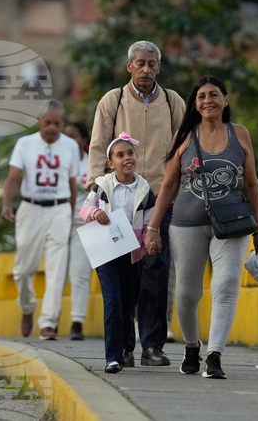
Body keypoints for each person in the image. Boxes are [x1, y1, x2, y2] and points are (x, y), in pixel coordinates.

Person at [144, 76, 258, 380]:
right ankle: (192, 345)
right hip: (187, 224)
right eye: (201, 97)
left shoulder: (240, 134)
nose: (207, 101)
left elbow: (251, 184)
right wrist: (152, 227)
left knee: (225, 284)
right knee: (188, 293)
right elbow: (170, 184)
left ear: (225, 100)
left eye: (214, 95)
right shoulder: (185, 136)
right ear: (195, 104)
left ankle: (214, 355)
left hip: (233, 224)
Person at [86, 41, 186, 366]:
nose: (146, 70)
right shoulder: (113, 101)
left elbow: (184, 147)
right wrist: (94, 185)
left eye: (152, 64)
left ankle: (153, 346)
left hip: (159, 198)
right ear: (129, 66)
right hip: (118, 200)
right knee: (125, 274)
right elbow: (99, 145)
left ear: (159, 67)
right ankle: (125, 347)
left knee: (156, 271)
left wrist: (182, 190)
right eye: (140, 63)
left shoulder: (173, 102)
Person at [1, 100, 82, 341]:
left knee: (57, 269)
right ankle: (27, 308)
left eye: (57, 124)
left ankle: (48, 322)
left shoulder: (70, 147)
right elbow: (14, 177)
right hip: (31, 209)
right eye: (48, 123)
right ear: (39, 122)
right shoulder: (24, 144)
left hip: (59, 210)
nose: (52, 128)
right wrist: (6, 203)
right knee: (23, 270)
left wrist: (69, 215)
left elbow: (72, 185)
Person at [78, 133, 156, 373]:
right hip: (107, 253)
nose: (126, 158)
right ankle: (112, 357)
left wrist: (151, 239)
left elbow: (151, 221)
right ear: (111, 163)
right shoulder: (102, 187)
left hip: (133, 254)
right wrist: (94, 214)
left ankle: (126, 349)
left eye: (130, 153)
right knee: (112, 302)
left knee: (127, 304)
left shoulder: (145, 190)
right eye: (120, 155)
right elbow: (83, 210)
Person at [64, 122, 92, 340]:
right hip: (58, 222)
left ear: (84, 140)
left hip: (84, 224)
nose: (70, 140)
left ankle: (77, 322)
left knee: (80, 273)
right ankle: (49, 320)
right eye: (67, 136)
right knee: (57, 274)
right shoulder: (57, 162)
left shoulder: (93, 163)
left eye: (74, 136)